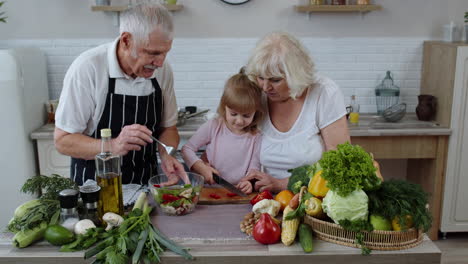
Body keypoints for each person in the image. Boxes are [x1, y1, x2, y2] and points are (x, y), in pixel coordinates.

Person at [54, 1, 188, 186]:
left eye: (165, 53)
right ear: (126, 40)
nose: (159, 62)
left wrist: (168, 156)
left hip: (144, 188)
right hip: (94, 189)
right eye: (152, 53)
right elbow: (63, 141)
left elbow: (168, 129)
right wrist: (113, 146)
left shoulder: (163, 71)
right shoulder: (88, 68)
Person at [241, 32, 350, 193]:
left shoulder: (324, 92)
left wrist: (282, 184)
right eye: (261, 77)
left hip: (313, 198)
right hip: (265, 199)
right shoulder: (256, 93)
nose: (265, 87)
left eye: (275, 80)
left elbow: (339, 160)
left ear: (296, 76)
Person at [181, 69, 265, 194]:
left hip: (237, 192)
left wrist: (249, 182)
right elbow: (187, 149)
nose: (239, 121)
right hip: (210, 190)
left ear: (256, 112)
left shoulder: (256, 136)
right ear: (224, 106)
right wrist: (201, 166)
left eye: (246, 116)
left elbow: (254, 166)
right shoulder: (214, 126)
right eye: (233, 114)